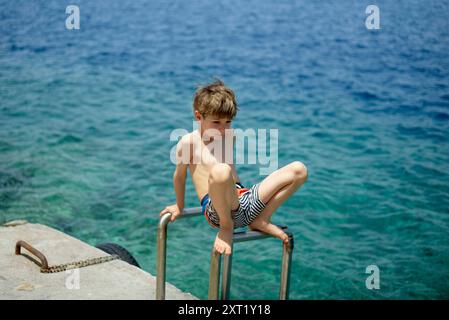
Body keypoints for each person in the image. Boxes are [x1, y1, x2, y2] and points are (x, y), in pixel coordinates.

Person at [159, 79, 308, 255]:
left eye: (228, 122)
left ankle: (262, 219)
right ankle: (226, 228)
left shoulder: (230, 136)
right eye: (216, 122)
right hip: (217, 210)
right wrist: (179, 205)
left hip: (242, 202)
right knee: (221, 171)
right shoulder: (189, 142)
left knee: (299, 170)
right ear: (199, 117)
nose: (223, 128)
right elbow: (179, 176)